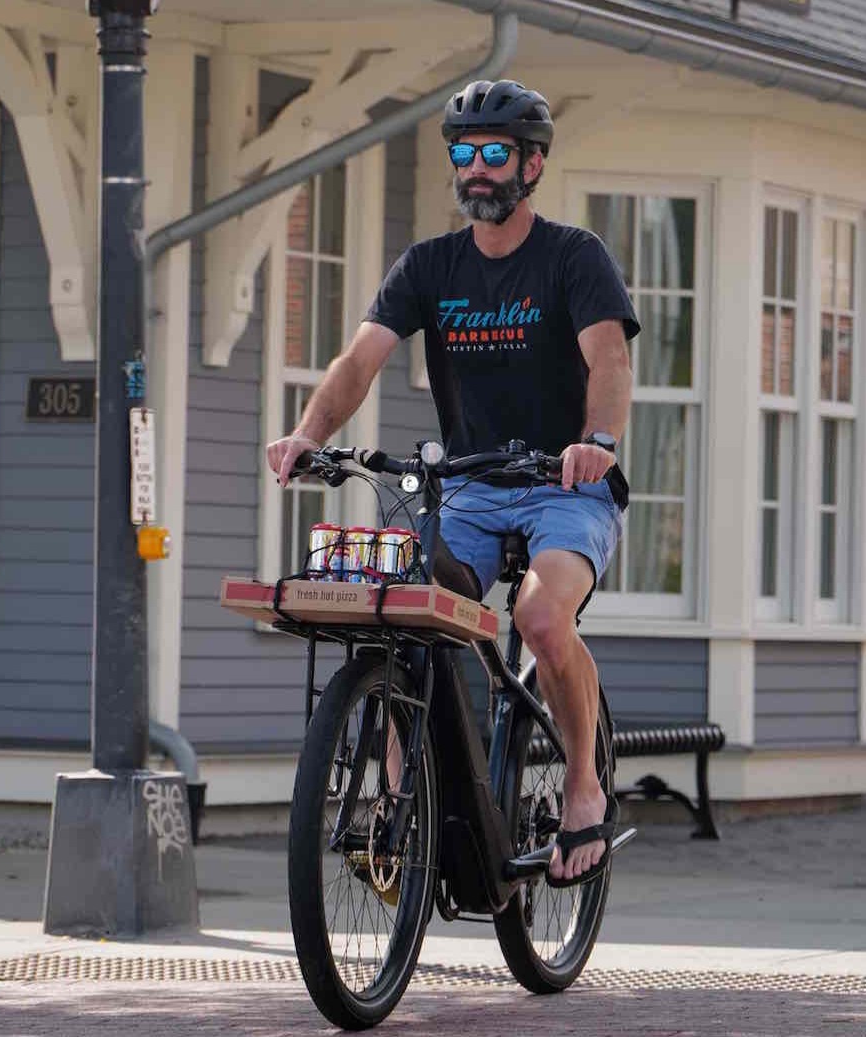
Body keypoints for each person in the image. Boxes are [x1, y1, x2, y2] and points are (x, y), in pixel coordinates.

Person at [264, 79, 638, 888]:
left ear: (531, 163)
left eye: (493, 153)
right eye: (462, 154)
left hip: (563, 487)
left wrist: (596, 442)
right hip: (465, 489)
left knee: (539, 615)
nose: (475, 170)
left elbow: (609, 358)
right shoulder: (430, 265)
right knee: (402, 609)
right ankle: (406, 799)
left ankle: (581, 785)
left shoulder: (573, 257)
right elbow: (359, 360)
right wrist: (309, 434)